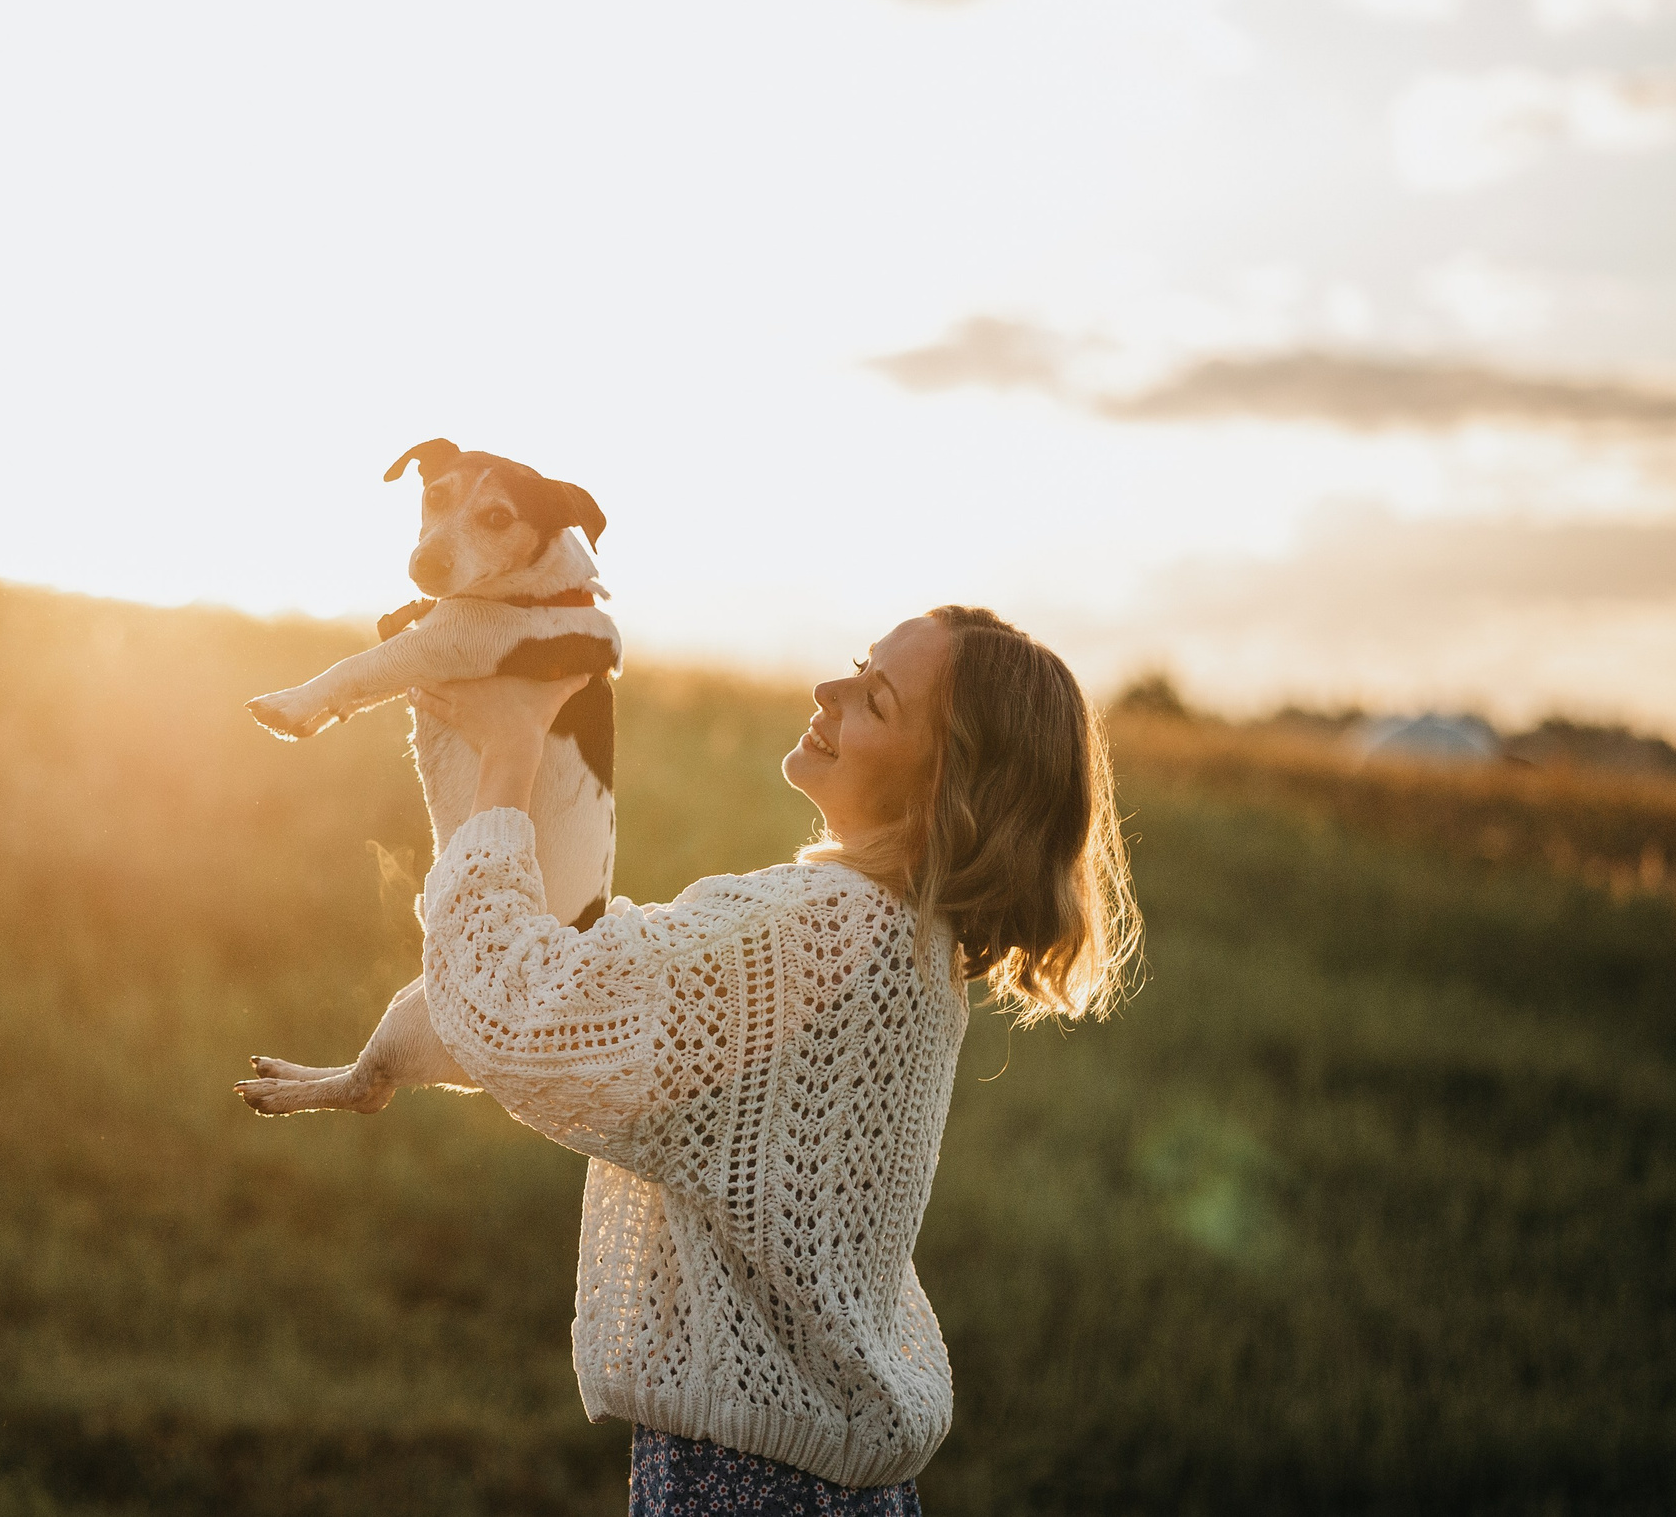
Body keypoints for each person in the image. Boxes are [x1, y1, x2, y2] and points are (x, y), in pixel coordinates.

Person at [278, 606, 1139, 1514]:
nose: (829, 691)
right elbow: (610, 1011)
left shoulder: (819, 930)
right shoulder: (908, 942)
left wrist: (509, 756)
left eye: (875, 700)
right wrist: (383, 1064)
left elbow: (529, 1010)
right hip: (837, 1484)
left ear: (946, 783)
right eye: (855, 665)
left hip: (747, 1488)